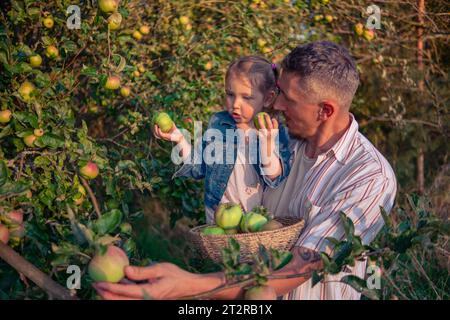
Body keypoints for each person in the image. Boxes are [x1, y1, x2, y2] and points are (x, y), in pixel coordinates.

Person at [93, 41, 397, 300]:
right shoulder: (279, 138)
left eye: (287, 99)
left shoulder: (368, 177)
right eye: (276, 93)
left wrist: (187, 286)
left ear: (325, 110)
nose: (275, 105)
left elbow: (303, 266)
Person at [153, 55, 292, 222]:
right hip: (217, 217)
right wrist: (179, 139)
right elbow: (198, 168)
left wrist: (267, 145)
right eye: (230, 94)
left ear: (268, 98)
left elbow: (275, 177)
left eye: (246, 97)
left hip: (255, 220)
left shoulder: (273, 131)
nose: (235, 104)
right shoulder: (219, 123)